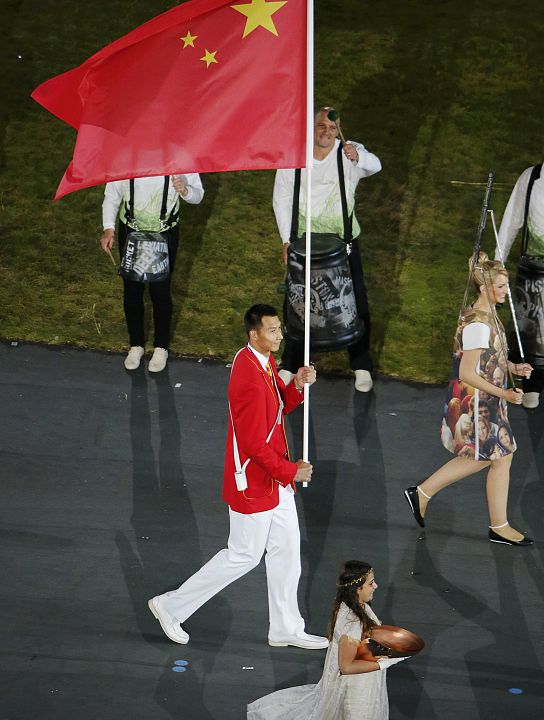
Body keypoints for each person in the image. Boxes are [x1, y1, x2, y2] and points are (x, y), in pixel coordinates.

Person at [148, 304, 328, 649]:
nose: (278, 336)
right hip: (256, 482)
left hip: (274, 482)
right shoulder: (246, 375)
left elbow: (277, 406)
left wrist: (298, 386)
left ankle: (286, 627)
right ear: (254, 334)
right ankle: (170, 606)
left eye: (279, 330)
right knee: (243, 556)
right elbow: (252, 444)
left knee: (287, 551)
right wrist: (292, 470)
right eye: (272, 331)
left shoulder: (261, 361)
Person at [405, 253, 534, 546]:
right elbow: (467, 372)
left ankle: (496, 523)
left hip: (489, 401)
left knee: (500, 456)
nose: (505, 291)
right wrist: (505, 393)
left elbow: (487, 358)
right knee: (488, 457)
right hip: (479, 404)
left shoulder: (486, 315)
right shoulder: (479, 324)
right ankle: (424, 493)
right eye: (500, 286)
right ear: (484, 288)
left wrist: (513, 368)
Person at [273, 107, 382, 393]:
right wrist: (286, 239)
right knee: (297, 303)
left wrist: (360, 157)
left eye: (332, 128)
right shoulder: (294, 156)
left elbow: (375, 166)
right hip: (303, 241)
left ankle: (361, 364)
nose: (327, 132)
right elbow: (281, 199)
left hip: (341, 241)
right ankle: (291, 363)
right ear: (312, 128)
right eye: (321, 126)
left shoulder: (349, 153)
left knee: (354, 300)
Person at [247, 560, 406, 720]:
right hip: (355, 691)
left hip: (360, 683)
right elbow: (346, 667)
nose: (376, 586)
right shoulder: (353, 623)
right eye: (371, 583)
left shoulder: (353, 607)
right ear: (357, 589)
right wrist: (386, 661)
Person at [100, 173, 204, 372]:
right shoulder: (126, 155)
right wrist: (108, 228)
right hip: (130, 230)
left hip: (164, 233)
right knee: (132, 290)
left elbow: (198, 195)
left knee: (160, 291)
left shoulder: (179, 157)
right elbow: (112, 194)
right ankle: (136, 344)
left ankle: (161, 347)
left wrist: (186, 190)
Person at [496, 163, 544, 407]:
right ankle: (532, 383)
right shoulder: (531, 178)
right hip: (533, 271)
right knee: (530, 330)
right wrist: (497, 262)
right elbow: (510, 222)